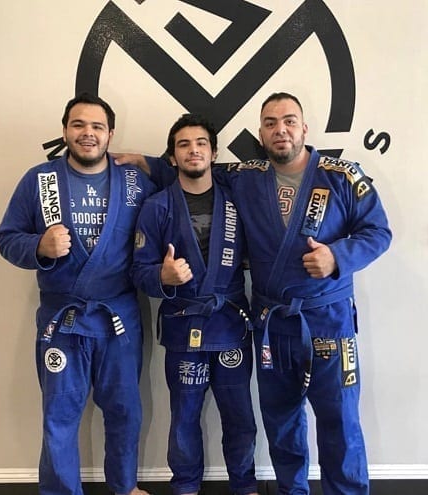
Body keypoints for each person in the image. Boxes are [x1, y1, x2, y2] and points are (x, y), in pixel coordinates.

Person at [115, 92, 392, 495]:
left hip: (328, 319)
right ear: (261, 133)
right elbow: (195, 171)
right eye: (270, 123)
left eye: (289, 121)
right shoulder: (246, 177)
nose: (281, 129)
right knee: (281, 420)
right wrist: (147, 163)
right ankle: (291, 491)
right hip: (271, 322)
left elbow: (379, 232)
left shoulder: (342, 175)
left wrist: (338, 256)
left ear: (304, 128)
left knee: (341, 421)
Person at [0, 92, 156, 495]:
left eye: (97, 126)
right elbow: (7, 237)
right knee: (59, 416)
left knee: (124, 411)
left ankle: (124, 487)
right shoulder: (39, 180)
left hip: (118, 317)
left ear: (110, 134)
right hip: (61, 321)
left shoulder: (135, 181)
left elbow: (184, 183)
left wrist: (148, 161)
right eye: (79, 125)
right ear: (65, 131)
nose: (88, 134)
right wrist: (38, 248)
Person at [130, 114, 259, 495]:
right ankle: (185, 486)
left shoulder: (237, 199)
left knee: (240, 418)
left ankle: (245, 485)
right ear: (172, 157)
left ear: (214, 152)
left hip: (231, 324)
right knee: (184, 418)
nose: (193, 150)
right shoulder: (156, 207)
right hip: (184, 325)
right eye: (183, 144)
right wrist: (162, 277)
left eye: (201, 143)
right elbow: (139, 271)